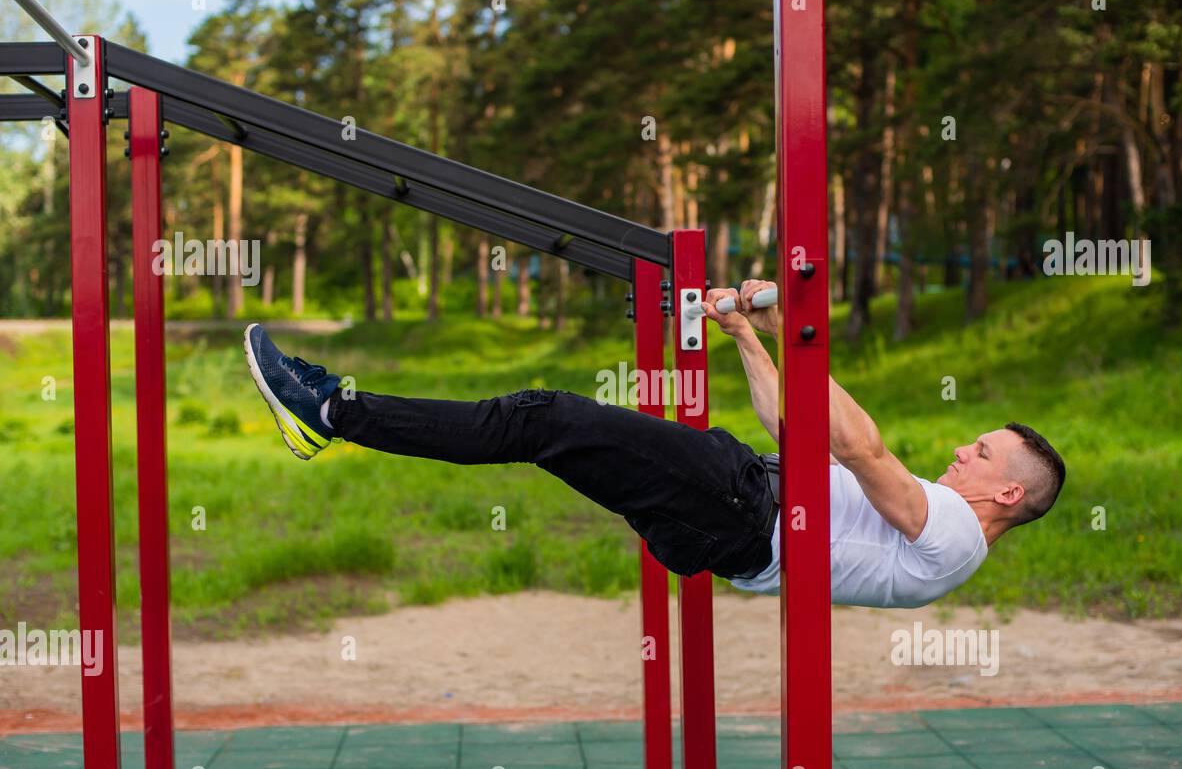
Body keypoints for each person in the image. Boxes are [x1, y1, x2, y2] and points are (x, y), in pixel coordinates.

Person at [242, 280, 1065, 609]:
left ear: (1009, 496)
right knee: (545, 427)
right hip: (732, 512)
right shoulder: (937, 521)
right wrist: (749, 334)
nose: (965, 450)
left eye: (984, 453)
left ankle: (330, 410)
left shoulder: (956, 532)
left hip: (741, 509)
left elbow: (861, 450)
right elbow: (799, 430)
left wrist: (804, 343)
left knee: (546, 418)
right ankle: (333, 410)